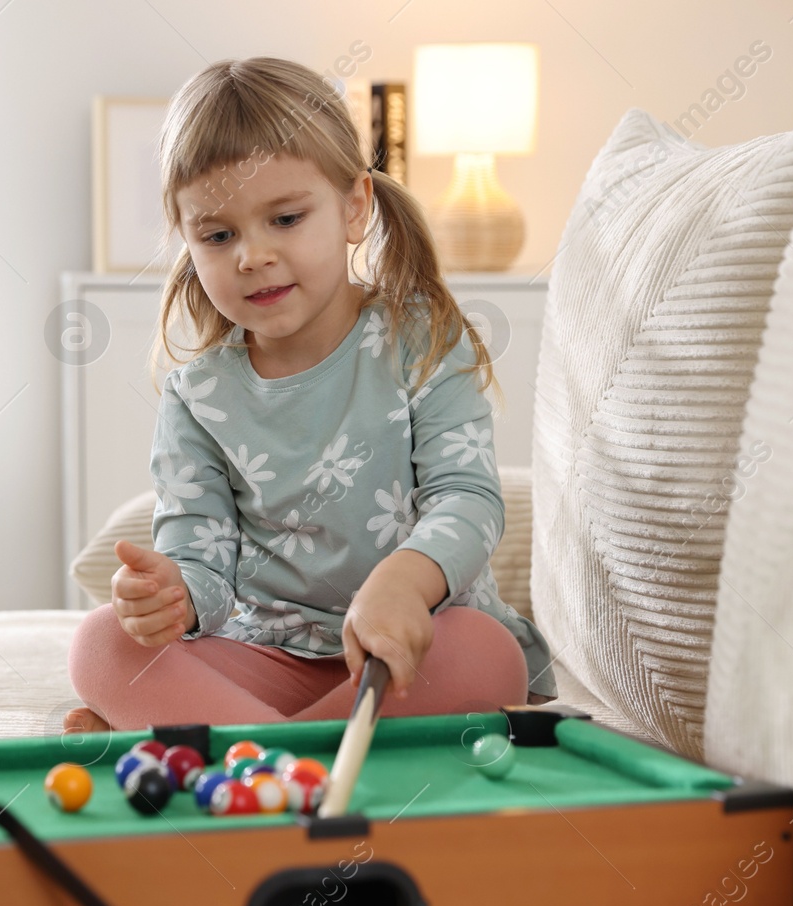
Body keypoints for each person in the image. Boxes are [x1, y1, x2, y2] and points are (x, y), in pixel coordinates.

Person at [65, 56, 556, 733]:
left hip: (410, 652)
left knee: (488, 654)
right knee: (101, 644)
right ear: (188, 242)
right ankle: (302, 756)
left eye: (286, 218)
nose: (251, 255)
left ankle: (246, 750)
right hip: (264, 655)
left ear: (354, 208)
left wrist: (403, 584)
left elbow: (467, 500)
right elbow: (200, 558)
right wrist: (172, 595)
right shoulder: (197, 396)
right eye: (218, 234)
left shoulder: (425, 340)